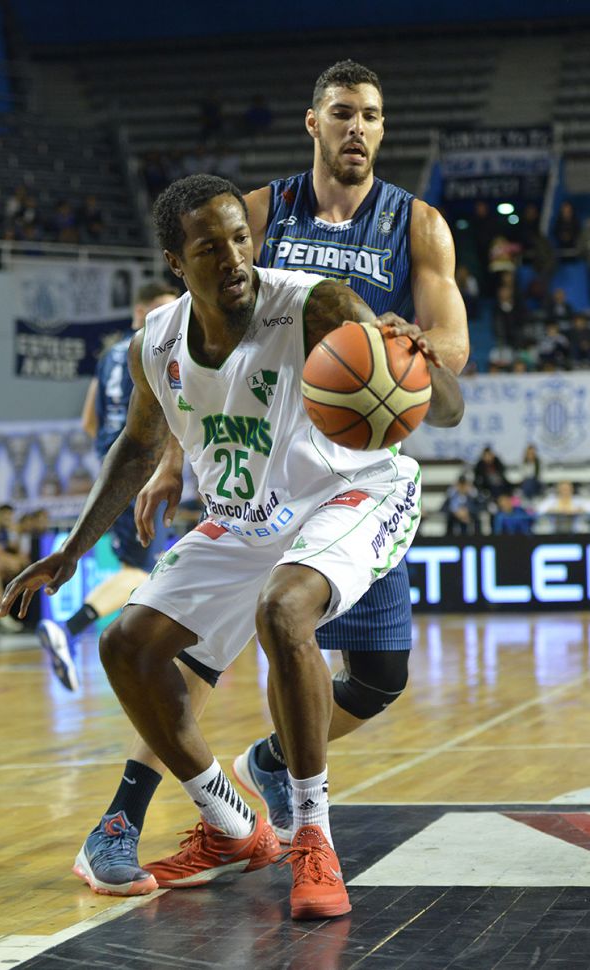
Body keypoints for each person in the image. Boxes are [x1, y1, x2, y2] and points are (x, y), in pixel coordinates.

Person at [50, 59, 470, 900]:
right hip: (259, 468)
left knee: (377, 677)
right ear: (313, 122)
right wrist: (174, 458)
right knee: (193, 647)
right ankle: (140, 816)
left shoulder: (414, 225)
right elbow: (198, 353)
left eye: (372, 115)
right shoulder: (255, 212)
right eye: (343, 112)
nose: (358, 128)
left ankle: (270, 765)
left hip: (351, 465)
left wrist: (400, 363)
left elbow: (449, 351)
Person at [37, 280, 179, 690]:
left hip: (114, 468)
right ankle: (68, 628)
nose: (172, 318)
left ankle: (146, 649)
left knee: (146, 572)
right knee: (142, 572)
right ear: (141, 312)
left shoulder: (110, 356)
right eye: (163, 310)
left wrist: (112, 451)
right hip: (143, 468)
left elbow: (88, 422)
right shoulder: (157, 348)